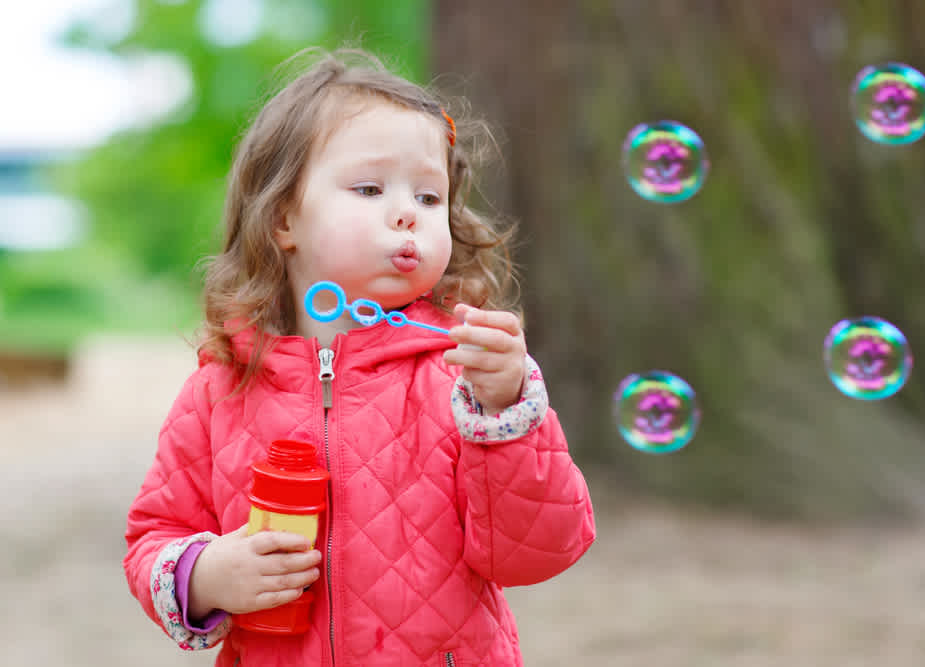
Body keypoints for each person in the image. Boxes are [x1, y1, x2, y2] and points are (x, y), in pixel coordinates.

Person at [123, 46, 596, 666]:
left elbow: (536, 552)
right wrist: (207, 574)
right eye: (370, 188)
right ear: (284, 217)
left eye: (429, 198)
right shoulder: (223, 386)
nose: (406, 213)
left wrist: (506, 410)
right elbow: (153, 537)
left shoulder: (462, 376)